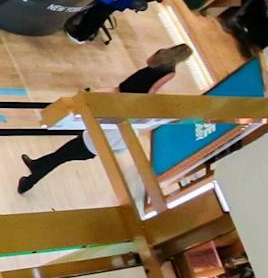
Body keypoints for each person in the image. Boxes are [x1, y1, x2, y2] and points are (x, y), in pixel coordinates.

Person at [17, 45, 193, 195]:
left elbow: (148, 66)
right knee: (60, 155)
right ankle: (36, 166)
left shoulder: (159, 56)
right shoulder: (168, 75)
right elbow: (153, 90)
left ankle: (29, 182)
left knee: (60, 157)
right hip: (94, 141)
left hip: (95, 135)